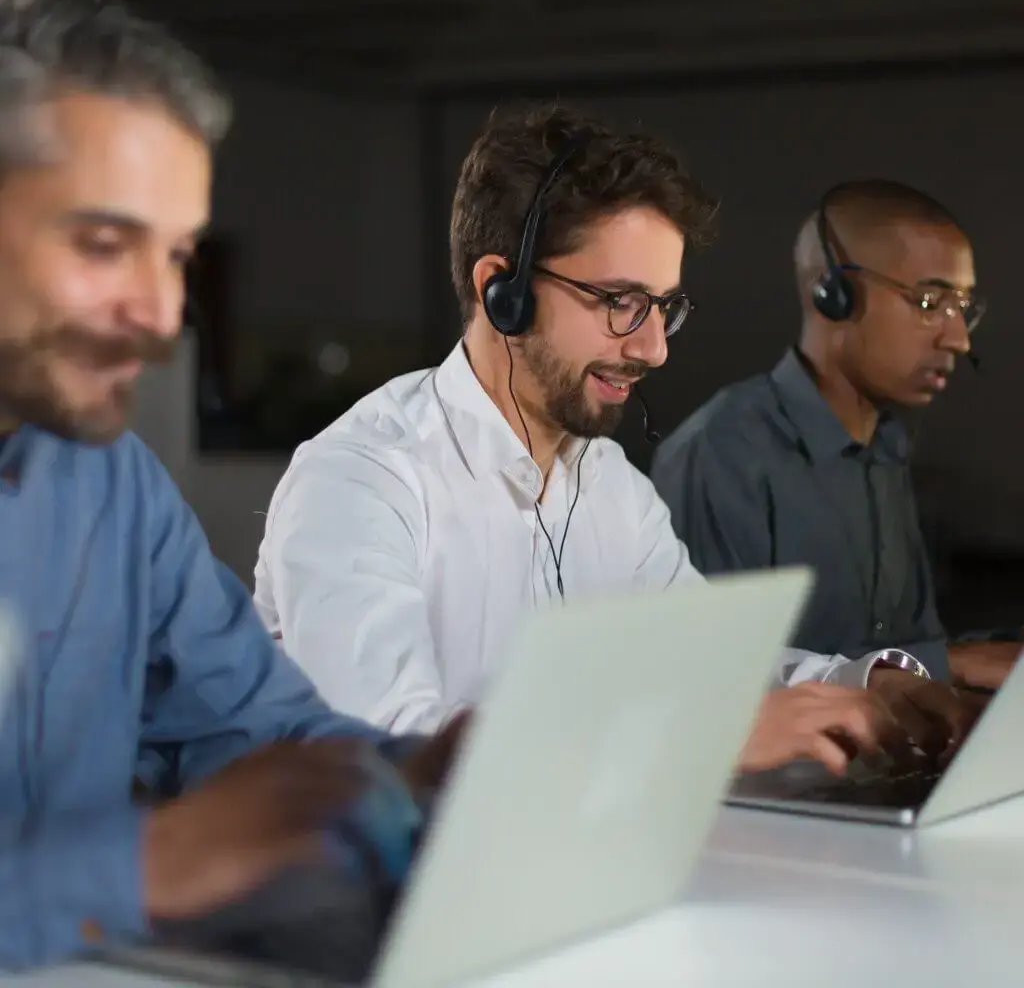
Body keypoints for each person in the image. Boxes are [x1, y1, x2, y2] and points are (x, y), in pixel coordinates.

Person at [254, 105, 954, 772]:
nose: (654, 350)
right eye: (621, 303)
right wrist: (701, 738)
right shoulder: (361, 481)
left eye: (664, 308)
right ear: (504, 290)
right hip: (398, 892)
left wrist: (869, 686)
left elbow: (707, 655)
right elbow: (395, 760)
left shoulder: (613, 487)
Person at [0, 0, 459, 972]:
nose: (164, 318)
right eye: (104, 245)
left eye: (177, 258)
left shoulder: (110, 485)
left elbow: (258, 724)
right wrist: (143, 866)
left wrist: (420, 769)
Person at [652, 180, 1020, 708]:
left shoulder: (887, 447)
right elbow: (713, 679)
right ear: (833, 294)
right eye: (929, 301)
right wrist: (951, 664)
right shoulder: (721, 453)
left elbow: (905, 645)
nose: (958, 338)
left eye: (962, 307)